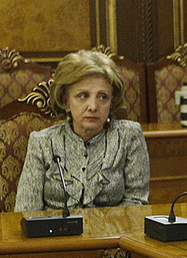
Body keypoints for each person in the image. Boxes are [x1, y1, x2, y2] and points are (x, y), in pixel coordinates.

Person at [15, 50, 150, 212]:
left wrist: (97, 225)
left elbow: (136, 203)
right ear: (66, 101)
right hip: (55, 228)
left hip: (114, 228)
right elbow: (26, 211)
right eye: (83, 96)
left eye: (103, 97)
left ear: (111, 101)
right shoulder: (43, 142)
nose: (93, 107)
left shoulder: (129, 136)